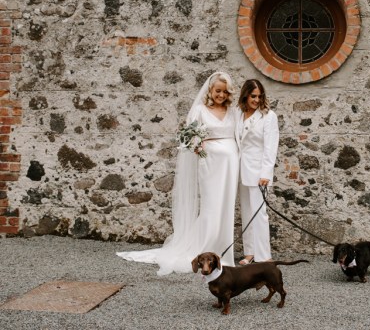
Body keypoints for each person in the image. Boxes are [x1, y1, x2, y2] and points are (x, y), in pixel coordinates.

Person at [117, 72, 239, 274]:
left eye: (225, 92)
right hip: (210, 164)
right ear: (210, 90)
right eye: (218, 91)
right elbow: (189, 137)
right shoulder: (200, 110)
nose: (221, 95)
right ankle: (204, 250)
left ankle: (223, 252)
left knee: (226, 206)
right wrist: (198, 146)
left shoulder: (232, 111)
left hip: (230, 165)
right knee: (211, 206)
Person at [236, 79, 279, 265]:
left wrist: (266, 174)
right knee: (246, 211)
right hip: (238, 169)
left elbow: (271, 147)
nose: (256, 99)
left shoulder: (268, 116)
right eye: (253, 96)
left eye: (259, 96)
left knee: (259, 213)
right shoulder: (237, 113)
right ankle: (250, 252)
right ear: (245, 95)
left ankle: (264, 256)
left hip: (258, 172)